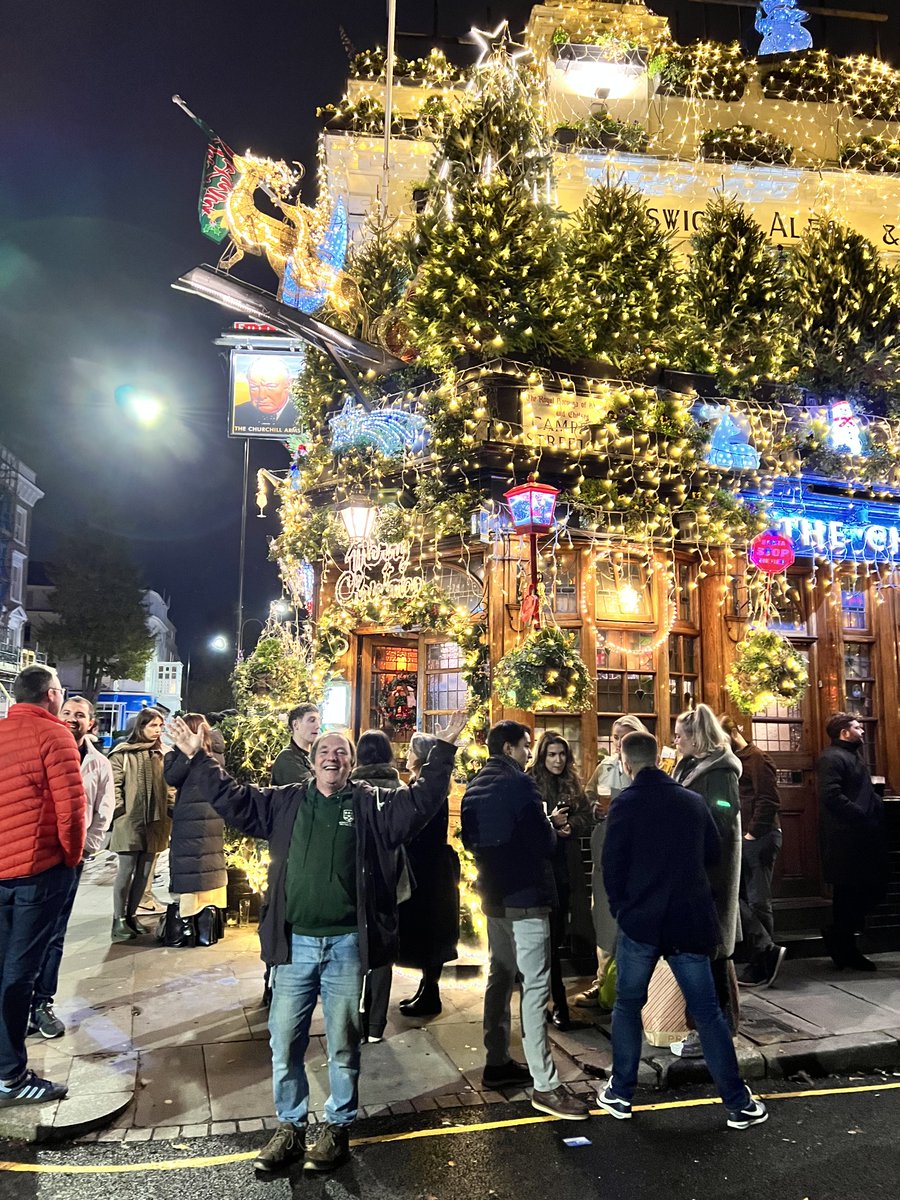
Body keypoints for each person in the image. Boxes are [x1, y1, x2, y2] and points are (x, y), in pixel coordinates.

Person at [166, 708, 467, 1175]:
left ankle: (337, 1127)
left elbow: (422, 802)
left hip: (347, 943)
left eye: (340, 752)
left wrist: (443, 752)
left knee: (344, 1042)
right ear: (312, 759)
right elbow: (231, 797)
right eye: (324, 750)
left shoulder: (371, 804)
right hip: (294, 946)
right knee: (284, 1040)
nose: (332, 757)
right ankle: (289, 1127)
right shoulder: (284, 801)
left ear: (350, 763)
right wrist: (197, 756)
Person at [597, 731, 768, 1131]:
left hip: (641, 923)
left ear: (626, 762)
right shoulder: (692, 802)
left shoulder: (625, 805)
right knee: (707, 1013)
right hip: (689, 920)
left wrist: (623, 908)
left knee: (627, 1006)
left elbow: (612, 866)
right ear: (658, 758)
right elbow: (713, 853)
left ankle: (620, 1093)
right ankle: (738, 1103)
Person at [461, 720, 590, 1122]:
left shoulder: (473, 787)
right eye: (526, 746)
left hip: (493, 895)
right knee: (535, 987)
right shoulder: (521, 785)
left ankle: (497, 1060)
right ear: (512, 748)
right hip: (526, 897)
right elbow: (542, 842)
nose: (528, 753)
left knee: (499, 976)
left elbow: (470, 840)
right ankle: (545, 1085)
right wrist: (552, 826)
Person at [0, 665, 85, 1108]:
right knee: (20, 973)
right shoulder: (55, 737)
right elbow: (72, 812)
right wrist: (70, 860)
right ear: (52, 694)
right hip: (38, 872)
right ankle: (11, 1076)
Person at [29, 695, 115, 1039]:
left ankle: (41, 1003)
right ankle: (18, 1003)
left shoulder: (99, 764)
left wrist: (84, 849)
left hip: (69, 860)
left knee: (54, 934)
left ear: (90, 723)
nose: (72, 718)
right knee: (24, 933)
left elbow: (103, 811)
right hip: (33, 854)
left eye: (80, 715)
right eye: (66, 712)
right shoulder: (42, 749)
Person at [671, 705, 743, 1058]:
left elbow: (723, 820)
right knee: (703, 951)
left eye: (680, 735)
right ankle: (709, 1025)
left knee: (713, 951)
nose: (675, 741)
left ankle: (717, 1029)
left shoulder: (720, 772)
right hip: (692, 871)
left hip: (710, 874)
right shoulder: (689, 765)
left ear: (696, 736)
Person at [575, 715, 649, 1008]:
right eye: (616, 736)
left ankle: (637, 989)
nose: (618, 742)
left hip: (636, 854)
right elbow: (588, 797)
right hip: (606, 850)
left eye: (625, 736)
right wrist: (594, 807)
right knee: (605, 918)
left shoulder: (647, 768)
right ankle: (602, 983)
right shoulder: (605, 766)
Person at [529, 731, 592, 1030]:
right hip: (540, 867)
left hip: (565, 867)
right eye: (552, 754)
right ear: (542, 756)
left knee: (557, 935)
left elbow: (586, 817)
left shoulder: (573, 783)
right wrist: (551, 825)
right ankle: (548, 1002)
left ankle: (558, 1003)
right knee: (543, 941)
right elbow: (529, 823)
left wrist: (570, 827)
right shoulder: (531, 781)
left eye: (562, 754)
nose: (557, 760)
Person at [396, 732, 460, 1021]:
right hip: (432, 865)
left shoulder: (425, 786)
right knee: (431, 932)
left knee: (430, 931)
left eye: (410, 750)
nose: (406, 755)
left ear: (419, 756)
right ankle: (426, 988)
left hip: (427, 867)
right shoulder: (429, 785)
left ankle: (430, 993)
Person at [816, 713, 888, 971]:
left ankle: (841, 941)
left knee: (866, 890)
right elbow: (830, 795)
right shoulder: (831, 758)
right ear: (844, 732)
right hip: (845, 839)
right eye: (857, 728)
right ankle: (844, 946)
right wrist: (860, 814)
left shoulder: (852, 756)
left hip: (859, 837)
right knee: (849, 894)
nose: (863, 731)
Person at [719, 715, 785, 988]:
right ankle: (761, 952)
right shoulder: (732, 762)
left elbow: (768, 799)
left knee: (758, 900)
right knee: (740, 897)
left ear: (733, 734)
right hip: (743, 838)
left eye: (721, 740)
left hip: (759, 837)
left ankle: (765, 960)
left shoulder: (756, 759)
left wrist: (751, 833)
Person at [350, 730, 403, 1042]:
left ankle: (352, 1021)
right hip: (391, 877)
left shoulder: (350, 788)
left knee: (353, 949)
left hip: (355, 875)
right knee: (383, 950)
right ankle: (375, 1025)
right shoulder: (399, 788)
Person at [163, 713, 227, 948]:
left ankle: (190, 923)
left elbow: (172, 778)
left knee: (190, 863)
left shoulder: (196, 755)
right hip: (213, 813)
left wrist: (186, 755)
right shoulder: (214, 753)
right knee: (207, 862)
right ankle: (204, 925)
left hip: (190, 815)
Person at [107, 708, 171, 943]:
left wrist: (170, 809)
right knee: (125, 870)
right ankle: (118, 919)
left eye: (160, 726)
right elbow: (113, 785)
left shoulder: (163, 753)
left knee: (145, 873)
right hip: (130, 820)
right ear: (140, 727)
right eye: (152, 725)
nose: (157, 731)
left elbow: (170, 786)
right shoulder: (122, 754)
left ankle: (132, 915)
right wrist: (120, 810)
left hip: (156, 821)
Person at [245, 356, 301, 430]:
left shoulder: (302, 413)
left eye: (270, 386)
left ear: (288, 384)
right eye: (254, 387)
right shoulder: (237, 414)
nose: (261, 396)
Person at [271, 703, 321, 786]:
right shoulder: (286, 758)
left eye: (319, 720)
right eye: (312, 720)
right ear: (296, 725)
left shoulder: (317, 754)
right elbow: (313, 791)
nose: (318, 726)